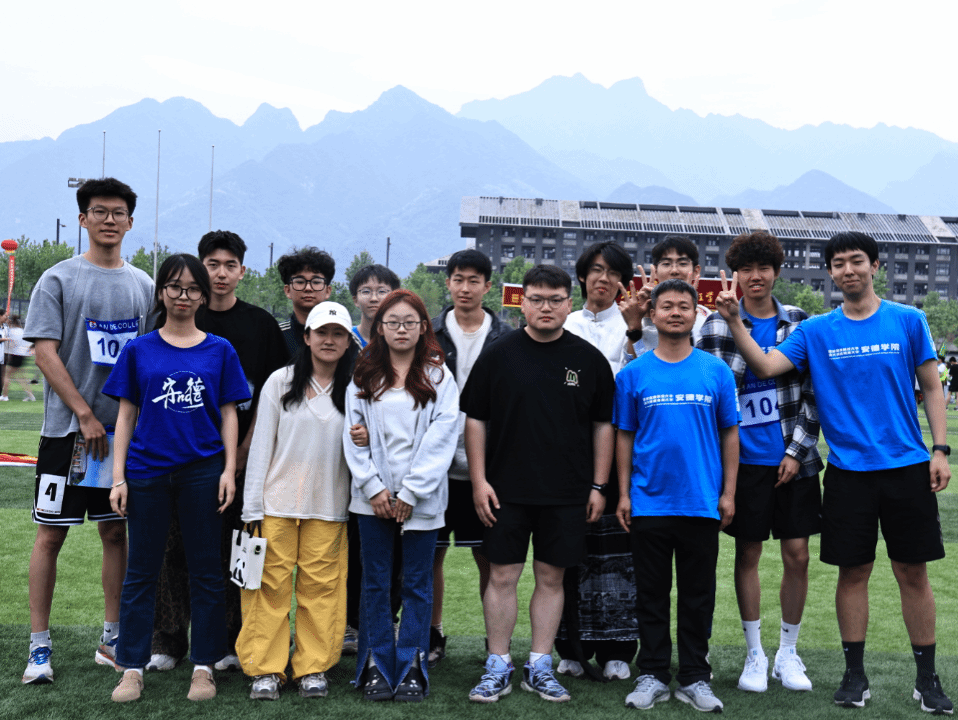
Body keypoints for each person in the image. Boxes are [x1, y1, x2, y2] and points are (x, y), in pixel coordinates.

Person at [714, 231, 953, 713]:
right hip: (847, 473)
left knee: (913, 572)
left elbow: (931, 387)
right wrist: (735, 321)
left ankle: (927, 679)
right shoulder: (816, 330)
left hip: (906, 466)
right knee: (853, 571)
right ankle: (854, 676)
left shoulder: (908, 320)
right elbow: (765, 365)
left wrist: (940, 449)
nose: (849, 270)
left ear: (875, 266)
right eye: (839, 263)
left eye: (857, 261)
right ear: (829, 273)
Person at [21, 177, 154, 684]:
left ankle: (112, 638)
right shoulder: (57, 279)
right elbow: (45, 352)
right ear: (83, 219)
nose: (109, 220)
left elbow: (147, 360)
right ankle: (39, 647)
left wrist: (124, 423)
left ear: (130, 222)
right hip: (67, 433)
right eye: (99, 211)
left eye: (118, 212)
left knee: (115, 532)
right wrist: (82, 412)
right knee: (50, 535)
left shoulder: (143, 286)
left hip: (121, 437)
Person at [461, 265, 614, 704]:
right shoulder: (498, 354)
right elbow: (475, 420)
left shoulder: (589, 360)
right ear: (522, 303)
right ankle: (498, 664)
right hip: (504, 491)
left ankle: (540, 665)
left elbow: (603, 425)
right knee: (502, 575)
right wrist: (478, 481)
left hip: (567, 492)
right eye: (537, 299)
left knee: (551, 577)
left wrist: (598, 486)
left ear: (569, 303)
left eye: (555, 299)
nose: (546, 307)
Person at [103, 254, 250, 703]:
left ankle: (204, 666)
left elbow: (229, 413)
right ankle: (131, 667)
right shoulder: (139, 349)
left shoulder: (220, 350)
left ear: (203, 296)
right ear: (162, 292)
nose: (183, 296)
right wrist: (118, 477)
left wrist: (228, 469)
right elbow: (126, 415)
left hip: (202, 472)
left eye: (192, 289)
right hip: (147, 473)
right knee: (140, 573)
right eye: (174, 287)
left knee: (207, 571)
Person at [146, 230, 290, 672]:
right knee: (172, 550)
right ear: (199, 269)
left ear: (242, 271)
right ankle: (168, 640)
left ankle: (228, 640)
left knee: (234, 550)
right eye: (213, 264)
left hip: (243, 460)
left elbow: (271, 396)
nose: (221, 273)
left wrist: (244, 451)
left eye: (230, 265)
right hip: (181, 457)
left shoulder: (261, 325)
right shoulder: (180, 317)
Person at [697, 230, 822, 693]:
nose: (755, 276)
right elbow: (713, 395)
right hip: (742, 462)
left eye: (763, 268)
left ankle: (788, 651)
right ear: (734, 274)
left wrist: (795, 451)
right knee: (747, 552)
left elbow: (814, 396)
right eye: (746, 269)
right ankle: (755, 653)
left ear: (776, 272)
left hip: (794, 459)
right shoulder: (714, 326)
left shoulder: (799, 323)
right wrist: (734, 323)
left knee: (798, 554)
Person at [615, 278, 739, 713]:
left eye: (683, 306)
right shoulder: (633, 373)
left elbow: (730, 433)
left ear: (695, 314)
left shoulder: (716, 371)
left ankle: (694, 677)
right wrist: (624, 493)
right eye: (666, 306)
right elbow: (625, 435)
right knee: (650, 594)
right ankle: (651, 673)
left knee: (697, 596)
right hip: (648, 502)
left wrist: (728, 492)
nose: (675, 312)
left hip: (701, 502)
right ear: (652, 314)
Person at [236, 301, 360, 700]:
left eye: (338, 334)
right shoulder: (281, 381)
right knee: (267, 589)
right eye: (321, 332)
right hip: (275, 506)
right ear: (306, 337)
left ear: (348, 341)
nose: (329, 340)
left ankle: (312, 667)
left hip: (329, 507)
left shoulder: (357, 389)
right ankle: (265, 669)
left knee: (321, 591)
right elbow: (260, 447)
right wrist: (252, 506)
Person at [344, 289, 458, 702]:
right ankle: (376, 663)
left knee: (416, 584)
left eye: (410, 322)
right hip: (371, 499)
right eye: (392, 322)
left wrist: (411, 492)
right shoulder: (364, 376)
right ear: (379, 328)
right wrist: (374, 488)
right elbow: (352, 437)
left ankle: (412, 664)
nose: (401, 329)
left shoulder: (439, 378)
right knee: (375, 583)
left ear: (424, 326)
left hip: (422, 500)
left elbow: (442, 437)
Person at [556, 241, 640, 682]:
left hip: (623, 450)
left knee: (616, 554)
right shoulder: (565, 323)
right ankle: (570, 648)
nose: (603, 279)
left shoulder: (633, 326)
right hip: (568, 454)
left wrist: (635, 332)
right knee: (567, 552)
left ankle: (617, 650)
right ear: (582, 276)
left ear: (623, 281)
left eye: (612, 272)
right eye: (595, 270)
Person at [429, 249, 511, 667]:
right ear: (448, 283)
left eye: (473, 280)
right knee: (430, 555)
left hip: (489, 467)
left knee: (490, 559)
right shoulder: (428, 334)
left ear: (487, 286)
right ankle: (433, 633)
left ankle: (494, 640)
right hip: (436, 466)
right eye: (458, 279)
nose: (465, 288)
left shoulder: (506, 337)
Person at [343, 262, 401, 654]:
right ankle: (351, 623)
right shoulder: (342, 340)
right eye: (366, 290)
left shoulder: (404, 342)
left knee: (394, 552)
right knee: (353, 547)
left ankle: (388, 621)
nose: (374, 297)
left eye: (382, 290)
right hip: (349, 462)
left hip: (395, 467)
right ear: (355, 298)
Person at [631, 235, 710, 352]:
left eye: (682, 264)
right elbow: (637, 359)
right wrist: (647, 317)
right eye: (666, 264)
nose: (674, 271)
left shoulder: (706, 319)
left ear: (696, 271)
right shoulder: (637, 318)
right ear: (655, 271)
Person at [276, 247, 335, 356]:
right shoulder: (275, 335)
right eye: (300, 282)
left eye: (316, 282)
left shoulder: (343, 337)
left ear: (327, 291)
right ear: (287, 290)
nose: (308, 288)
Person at [350, 264, 401, 348]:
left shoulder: (403, 339)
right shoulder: (346, 338)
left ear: (394, 297)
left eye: (382, 291)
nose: (374, 299)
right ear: (355, 300)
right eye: (366, 291)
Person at [3, 315, 37, 401]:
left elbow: (10, 344)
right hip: (22, 356)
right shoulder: (23, 332)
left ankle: (5, 396)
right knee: (21, 377)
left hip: (15, 355)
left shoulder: (11, 331)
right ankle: (31, 396)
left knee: (7, 376)